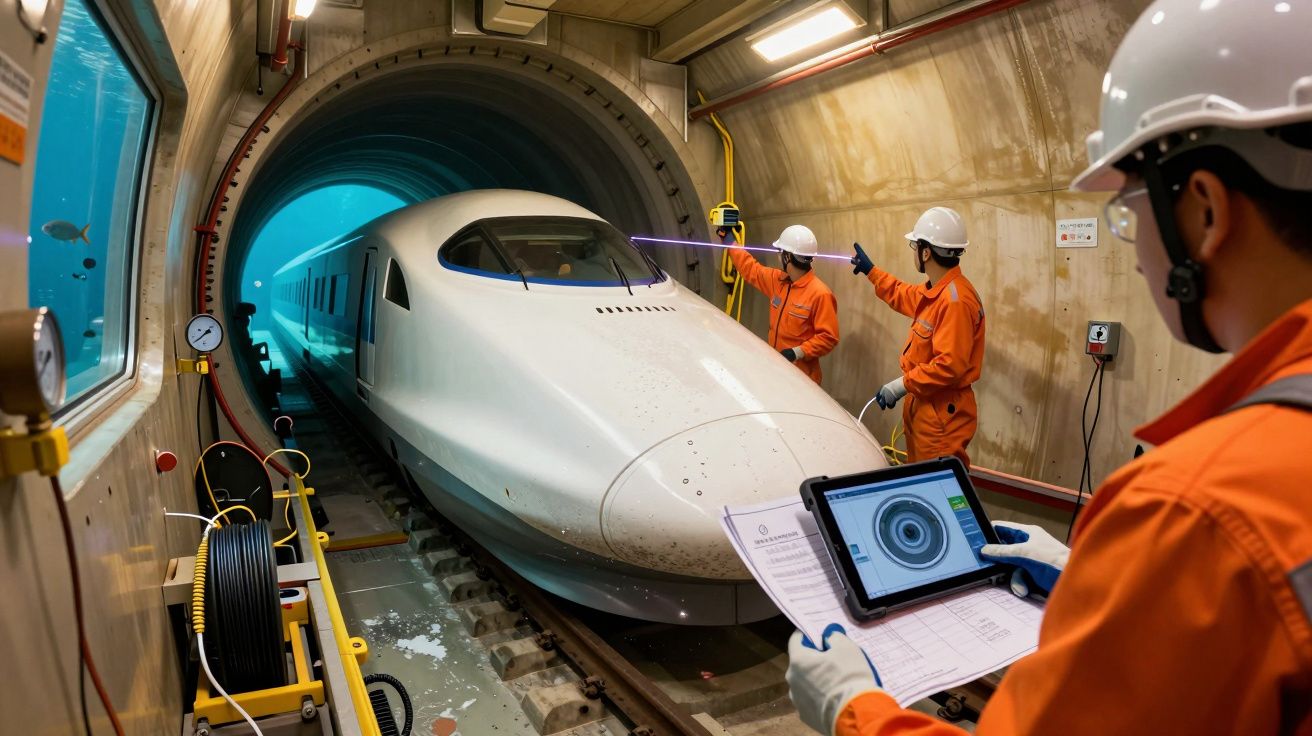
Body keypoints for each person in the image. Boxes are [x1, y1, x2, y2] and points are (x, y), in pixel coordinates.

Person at [786, 0, 1312, 732]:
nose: (1131, 248)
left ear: (1205, 211)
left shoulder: (1193, 511)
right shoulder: (937, 289)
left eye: (1127, 209)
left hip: (940, 419)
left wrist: (853, 708)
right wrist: (1084, 577)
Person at [849, 207, 985, 466]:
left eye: (915, 246)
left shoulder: (955, 301)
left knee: (937, 489)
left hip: (941, 419)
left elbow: (949, 366)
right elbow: (902, 294)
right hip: (926, 409)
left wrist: (901, 385)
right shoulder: (936, 291)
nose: (914, 252)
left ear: (926, 252)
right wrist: (871, 271)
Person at [721, 224, 839, 385]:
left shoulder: (820, 294)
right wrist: (730, 241)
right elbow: (750, 269)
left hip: (802, 379)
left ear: (787, 257)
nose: (778, 256)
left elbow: (828, 338)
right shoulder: (777, 281)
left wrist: (797, 352)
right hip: (776, 369)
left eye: (780, 252)